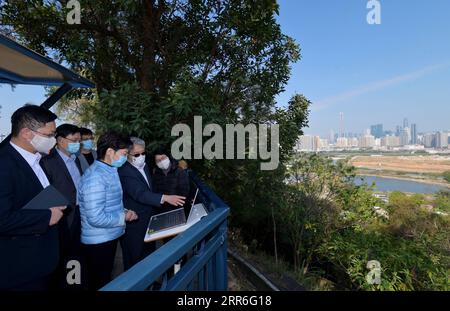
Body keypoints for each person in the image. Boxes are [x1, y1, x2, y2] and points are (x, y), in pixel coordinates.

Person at [0, 105, 66, 290]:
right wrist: (46, 216)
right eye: (49, 135)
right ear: (27, 133)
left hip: (45, 260)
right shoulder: (4, 164)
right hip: (20, 269)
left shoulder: (38, 159)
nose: (54, 140)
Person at [78, 132, 138, 290]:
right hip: (98, 241)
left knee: (104, 278)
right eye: (124, 154)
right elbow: (95, 217)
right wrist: (122, 217)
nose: (126, 158)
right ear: (110, 152)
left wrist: (123, 211)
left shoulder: (108, 170)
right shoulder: (96, 177)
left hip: (107, 236)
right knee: (99, 282)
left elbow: (108, 203)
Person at [118, 137, 186, 271]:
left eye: (143, 153)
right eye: (137, 154)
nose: (141, 157)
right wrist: (165, 198)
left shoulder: (145, 166)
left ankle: (150, 283)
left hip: (149, 220)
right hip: (134, 223)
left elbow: (151, 188)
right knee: (134, 261)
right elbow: (140, 193)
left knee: (148, 257)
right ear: (127, 154)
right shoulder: (125, 171)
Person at [40, 123, 83, 289]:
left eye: (79, 140)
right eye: (74, 140)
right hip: (61, 218)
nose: (77, 144)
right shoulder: (47, 162)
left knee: (76, 254)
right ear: (60, 140)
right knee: (61, 256)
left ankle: (75, 283)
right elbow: (46, 192)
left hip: (79, 213)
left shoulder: (76, 159)